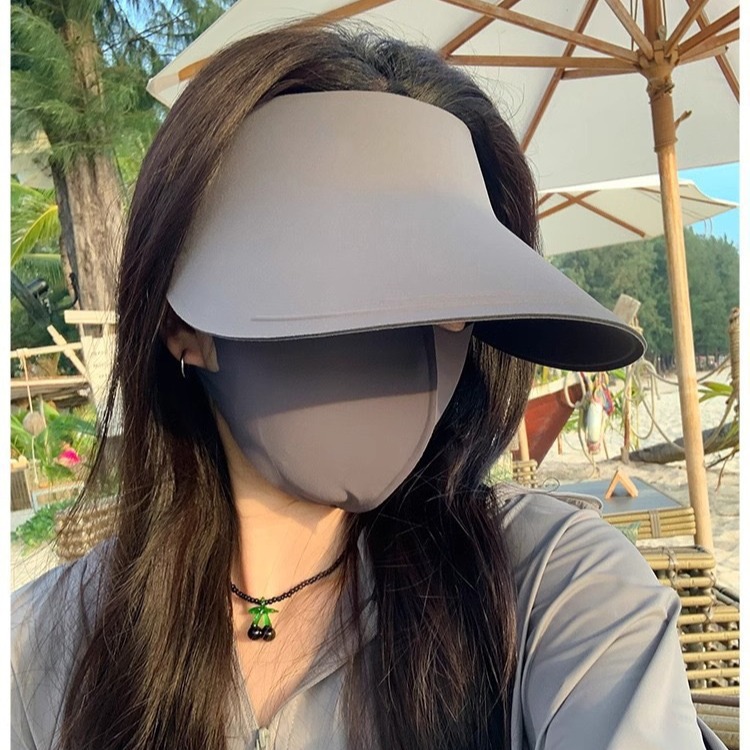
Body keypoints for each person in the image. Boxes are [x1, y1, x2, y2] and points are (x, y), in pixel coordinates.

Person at [11, 24, 726, 750]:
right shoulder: (43, 651)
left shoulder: (554, 590)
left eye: (452, 295)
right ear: (180, 322)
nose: (412, 342)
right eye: (343, 283)